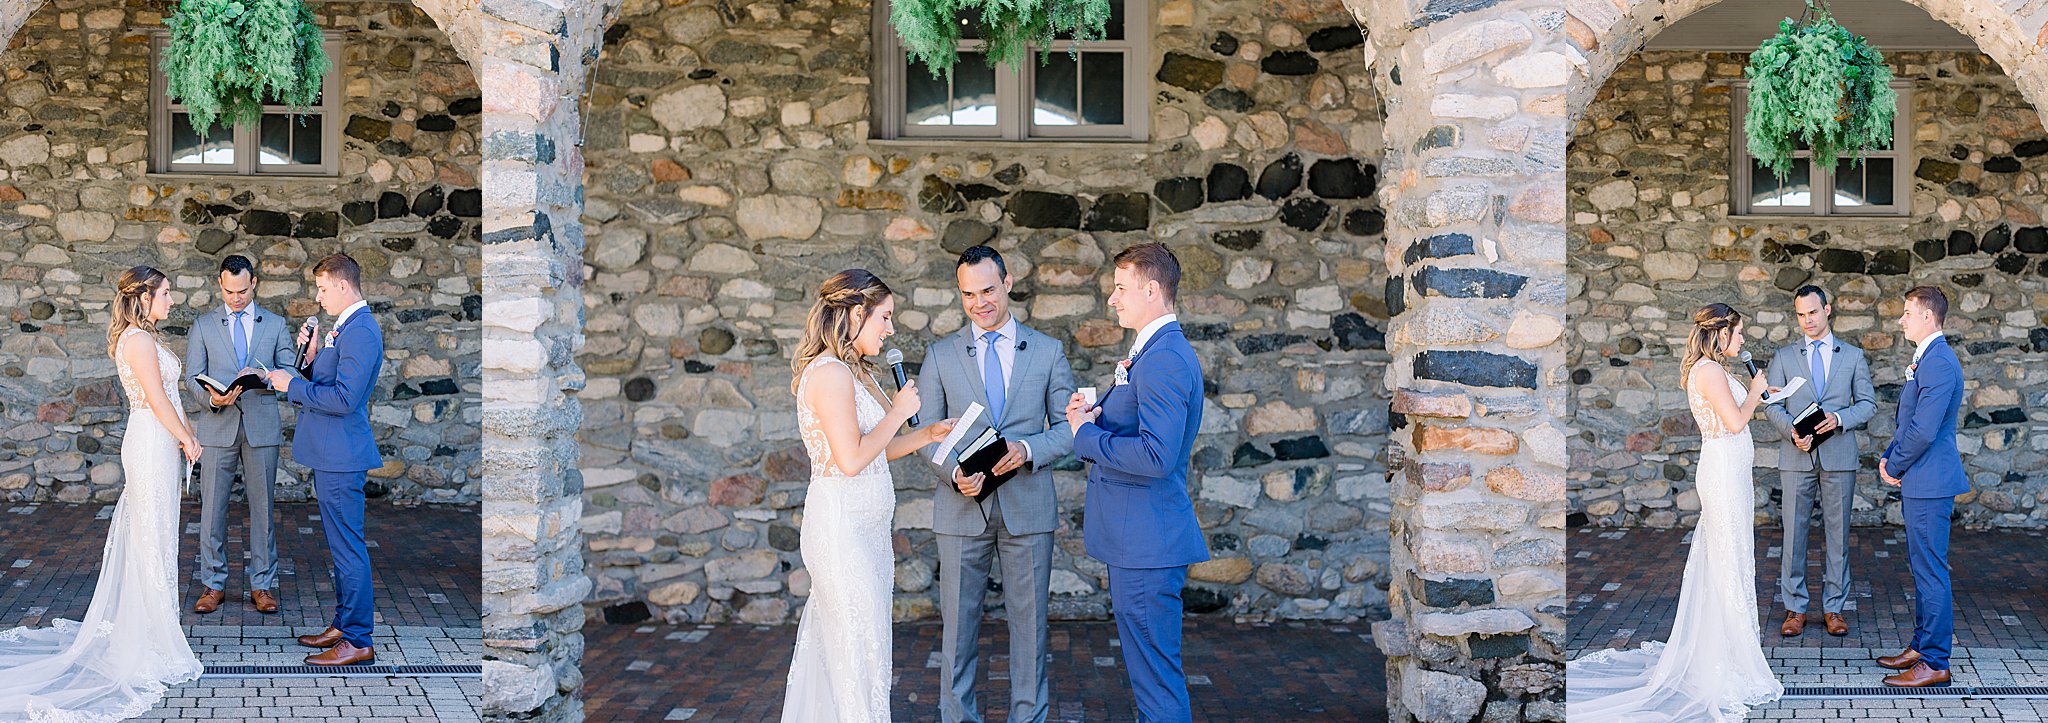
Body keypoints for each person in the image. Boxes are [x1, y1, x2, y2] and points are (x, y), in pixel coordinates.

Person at [0, 266, 203, 720]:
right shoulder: (139, 341)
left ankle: (156, 627)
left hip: (160, 440)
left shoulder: (146, 337)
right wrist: (186, 438)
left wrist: (189, 433)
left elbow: (171, 395)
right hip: (151, 443)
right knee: (151, 537)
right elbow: (155, 398)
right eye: (166, 293)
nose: (173, 299)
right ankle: (152, 641)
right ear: (144, 297)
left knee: (158, 535)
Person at [1567, 303, 1784, 721]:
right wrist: (1755, 394)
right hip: (1721, 473)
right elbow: (1736, 423)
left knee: (1733, 559)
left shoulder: (1717, 369)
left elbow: (1734, 413)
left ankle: (1731, 652)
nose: (1742, 340)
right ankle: (1727, 663)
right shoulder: (1708, 371)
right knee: (1727, 560)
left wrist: (1761, 393)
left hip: (1731, 472)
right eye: (1738, 333)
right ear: (1720, 333)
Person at [780, 269, 956, 722]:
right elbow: (851, 459)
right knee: (857, 655)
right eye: (885, 317)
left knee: (867, 653)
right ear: (857, 314)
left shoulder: (856, 372)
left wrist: (928, 433)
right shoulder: (829, 374)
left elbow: (878, 451)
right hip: (842, 533)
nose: (891, 329)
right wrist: (898, 411)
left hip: (868, 534)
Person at [916, 245, 1076, 723]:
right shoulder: (940, 355)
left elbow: (1070, 428)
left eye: (987, 290)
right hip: (960, 510)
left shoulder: (1048, 352)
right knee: (958, 634)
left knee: (1031, 632)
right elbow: (924, 434)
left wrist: (1029, 450)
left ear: (1007, 283)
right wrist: (952, 473)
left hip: (1028, 507)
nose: (979, 302)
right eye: (968, 294)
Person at [1063, 242, 1209, 723]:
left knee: (1156, 682)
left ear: (1151, 289)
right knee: (1151, 674)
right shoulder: (1152, 352)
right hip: (1140, 542)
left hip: (1148, 545)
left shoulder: (1164, 357)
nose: (1112, 299)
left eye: (1120, 288)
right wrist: (1096, 419)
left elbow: (1156, 455)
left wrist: (1086, 436)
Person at [267, 253, 385, 665]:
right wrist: (314, 357)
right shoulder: (344, 327)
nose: (317, 297)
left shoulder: (362, 331)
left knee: (349, 548)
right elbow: (332, 382)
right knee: (339, 546)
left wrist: (292, 385)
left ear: (341, 284)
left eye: (320, 288)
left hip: (341, 455)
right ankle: (343, 624)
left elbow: (345, 400)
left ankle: (357, 640)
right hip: (330, 452)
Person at [186, 254, 297, 616]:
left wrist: (265, 375)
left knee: (263, 510)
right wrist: (212, 398)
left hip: (261, 426)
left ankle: (262, 585)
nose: (236, 298)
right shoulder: (203, 325)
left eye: (243, 291)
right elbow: (191, 378)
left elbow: (290, 369)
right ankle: (212, 584)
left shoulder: (276, 323)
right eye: (229, 291)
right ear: (220, 285)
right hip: (217, 425)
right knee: (212, 510)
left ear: (255, 284)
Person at [1763, 285, 1875, 637]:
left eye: (1812, 312)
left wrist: (1841, 419)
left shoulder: (1853, 355)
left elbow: (1869, 404)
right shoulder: (1783, 357)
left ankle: (1834, 608)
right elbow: (1772, 405)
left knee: (1838, 536)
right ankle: (1795, 608)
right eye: (1800, 314)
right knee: (1794, 535)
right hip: (1795, 457)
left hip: (1839, 456)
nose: (1807, 320)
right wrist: (1791, 432)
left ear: (1828, 310)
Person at [1873, 286, 1969, 688]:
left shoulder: (1940, 362)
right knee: (1923, 567)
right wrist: (1891, 455)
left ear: (1928, 317)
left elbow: (1925, 429)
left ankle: (1935, 662)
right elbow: (1909, 422)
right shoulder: (1928, 358)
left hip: (1929, 480)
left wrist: (1894, 464)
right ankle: (1921, 645)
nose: (1901, 319)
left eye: (1908, 312)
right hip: (1921, 479)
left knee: (1931, 571)